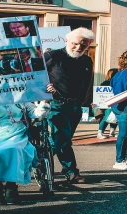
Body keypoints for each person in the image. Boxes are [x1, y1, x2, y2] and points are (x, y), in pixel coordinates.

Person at [43, 27, 95, 183]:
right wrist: (45, 87)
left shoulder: (87, 60)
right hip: (56, 104)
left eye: (83, 45)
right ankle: (69, 171)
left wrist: (85, 102)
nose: (79, 48)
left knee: (64, 140)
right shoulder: (52, 55)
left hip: (75, 106)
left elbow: (87, 82)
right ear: (66, 41)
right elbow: (36, 76)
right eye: (75, 43)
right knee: (61, 139)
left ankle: (41, 163)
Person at [96, 68, 119, 139]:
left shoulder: (116, 82)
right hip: (107, 104)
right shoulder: (106, 83)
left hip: (115, 102)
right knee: (107, 117)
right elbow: (99, 94)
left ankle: (112, 132)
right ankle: (100, 133)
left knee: (114, 118)